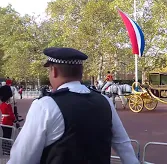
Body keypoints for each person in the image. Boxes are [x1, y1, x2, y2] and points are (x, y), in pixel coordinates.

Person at [8, 47, 139, 164]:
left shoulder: (44, 105)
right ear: (80, 72)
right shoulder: (105, 101)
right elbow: (123, 144)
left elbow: (21, 158)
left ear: (54, 71)